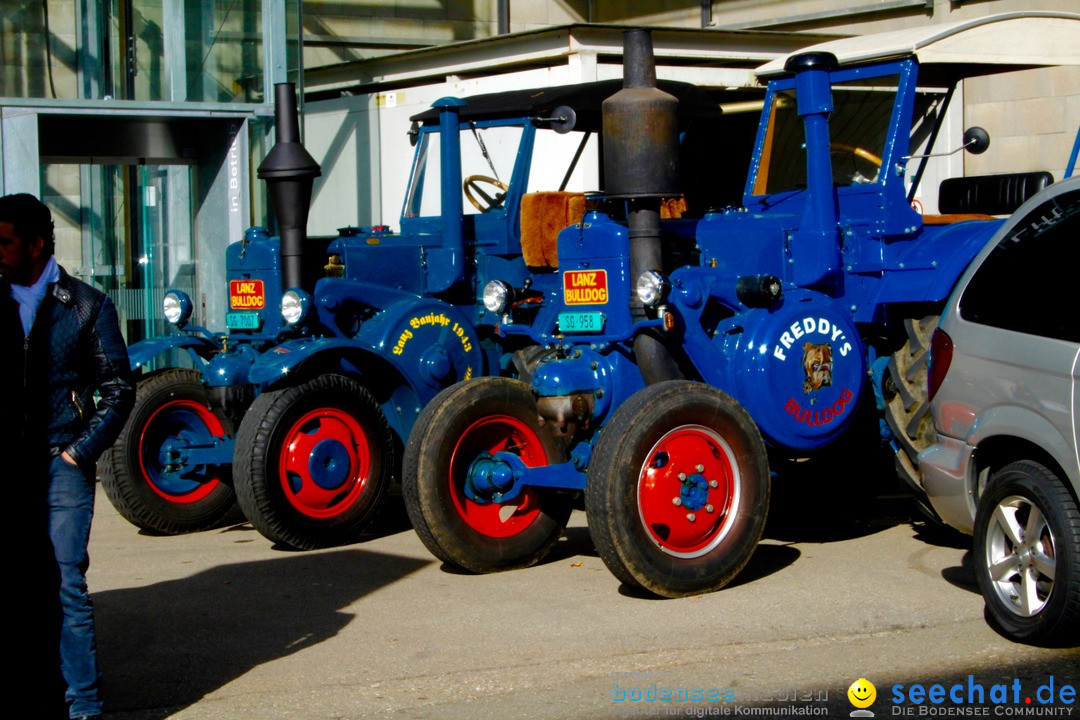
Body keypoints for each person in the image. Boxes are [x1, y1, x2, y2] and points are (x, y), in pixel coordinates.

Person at [0, 193, 134, 720]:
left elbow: (119, 389)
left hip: (61, 465)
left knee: (64, 584)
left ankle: (83, 705)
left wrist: (80, 453)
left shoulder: (87, 305)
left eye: (5, 240)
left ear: (35, 245)